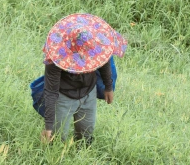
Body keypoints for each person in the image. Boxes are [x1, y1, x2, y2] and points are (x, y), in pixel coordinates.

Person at [40, 13, 127, 145]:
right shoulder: (55, 56)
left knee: (86, 134)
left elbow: (104, 61)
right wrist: (48, 126)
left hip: (88, 93)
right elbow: (51, 92)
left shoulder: (95, 44)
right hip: (64, 97)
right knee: (57, 139)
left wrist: (108, 87)